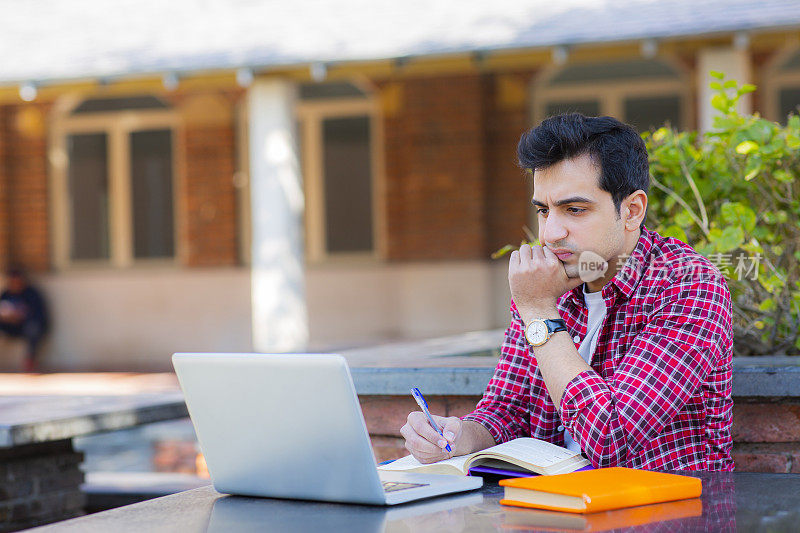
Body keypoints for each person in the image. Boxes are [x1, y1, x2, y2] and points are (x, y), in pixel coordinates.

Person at [401, 114, 734, 471]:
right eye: (544, 210)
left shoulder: (689, 284)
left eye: (574, 209)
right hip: (555, 509)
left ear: (632, 211)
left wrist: (539, 310)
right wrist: (455, 438)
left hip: (665, 516)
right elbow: (506, 409)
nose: (550, 233)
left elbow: (609, 439)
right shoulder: (547, 286)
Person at [0, 267, 49, 372]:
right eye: (12, 281)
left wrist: (20, 316)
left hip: (26, 326)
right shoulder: (6, 293)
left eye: (17, 281)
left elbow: (39, 316)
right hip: (9, 326)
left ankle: (30, 362)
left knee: (33, 329)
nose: (15, 284)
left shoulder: (32, 294)